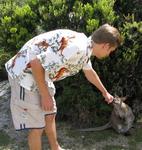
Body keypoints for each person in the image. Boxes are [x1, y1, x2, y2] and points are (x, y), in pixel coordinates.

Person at [5, 24, 122, 150]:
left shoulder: (85, 48)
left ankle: (56, 148)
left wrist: (105, 93)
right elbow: (35, 63)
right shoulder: (77, 47)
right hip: (24, 74)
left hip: (41, 75)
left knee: (49, 115)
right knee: (37, 126)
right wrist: (45, 95)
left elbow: (89, 72)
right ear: (105, 45)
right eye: (110, 51)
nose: (109, 54)